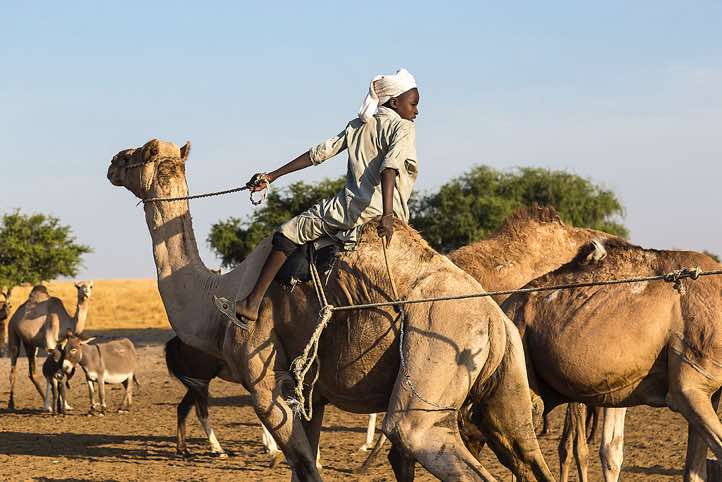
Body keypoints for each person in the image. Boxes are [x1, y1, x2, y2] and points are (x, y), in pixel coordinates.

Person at [216, 68, 420, 328]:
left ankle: (251, 304)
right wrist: (389, 214)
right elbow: (389, 167)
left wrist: (273, 176)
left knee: (288, 232)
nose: (416, 111)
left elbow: (318, 154)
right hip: (389, 211)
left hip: (351, 208)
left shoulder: (359, 126)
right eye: (413, 104)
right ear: (394, 102)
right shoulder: (402, 127)